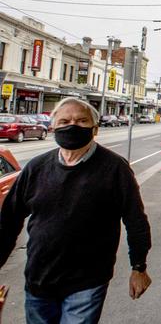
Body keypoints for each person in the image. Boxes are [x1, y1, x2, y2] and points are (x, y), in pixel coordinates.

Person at [0, 97, 152, 324]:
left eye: (82, 121)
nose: (72, 126)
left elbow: (135, 220)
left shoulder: (114, 168)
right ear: (53, 128)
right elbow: (8, 222)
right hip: (39, 279)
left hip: (87, 281)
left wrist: (138, 267)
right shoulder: (36, 168)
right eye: (64, 121)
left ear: (95, 129)